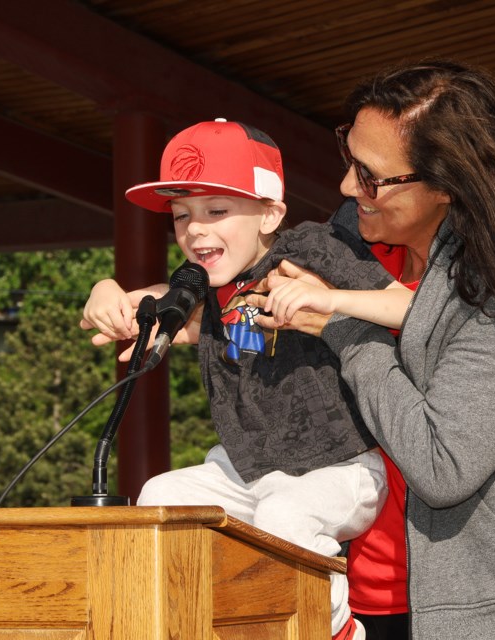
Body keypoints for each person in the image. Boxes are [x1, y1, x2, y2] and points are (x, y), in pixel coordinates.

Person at [248, 60, 495, 640]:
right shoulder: (351, 243)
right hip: (355, 596)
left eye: (371, 176)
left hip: (483, 613)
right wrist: (148, 297)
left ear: (447, 184)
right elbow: (248, 275)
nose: (346, 187)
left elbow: (444, 468)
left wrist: (343, 328)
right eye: (349, 157)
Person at [81, 118, 419, 639]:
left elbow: (411, 306)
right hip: (250, 466)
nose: (195, 230)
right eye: (181, 216)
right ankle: (196, 622)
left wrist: (329, 300)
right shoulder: (212, 287)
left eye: (217, 211)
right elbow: (139, 305)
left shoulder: (311, 251)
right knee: (158, 496)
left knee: (287, 513)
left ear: (270, 213)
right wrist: (106, 291)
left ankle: (336, 631)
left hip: (341, 465)